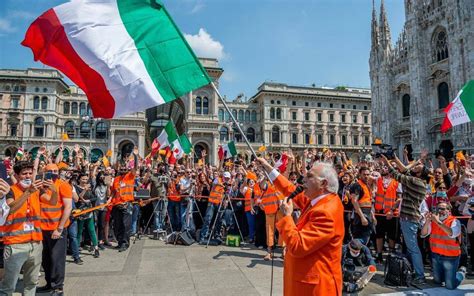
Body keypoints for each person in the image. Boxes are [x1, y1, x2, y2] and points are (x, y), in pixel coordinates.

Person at [257, 157, 344, 295]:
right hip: (305, 282)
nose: (303, 179)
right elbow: (290, 189)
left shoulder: (326, 212)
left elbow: (298, 246)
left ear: (323, 184)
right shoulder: (320, 199)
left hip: (314, 288)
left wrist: (286, 217)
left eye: (309, 176)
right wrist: (268, 168)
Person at [0, 161, 56, 296]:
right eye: (24, 173)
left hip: (35, 244)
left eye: (30, 173)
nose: (28, 176)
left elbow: (52, 201)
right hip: (15, 245)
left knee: (32, 283)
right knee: (8, 286)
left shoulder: (36, 190)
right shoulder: (11, 190)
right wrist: (28, 193)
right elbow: (11, 208)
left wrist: (53, 190)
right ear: (17, 175)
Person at [381, 155, 428, 285]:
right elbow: (404, 171)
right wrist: (395, 158)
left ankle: (420, 275)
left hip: (409, 218)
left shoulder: (417, 183)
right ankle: (412, 271)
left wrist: (387, 162)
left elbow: (397, 175)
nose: (416, 165)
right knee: (410, 247)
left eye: (418, 166)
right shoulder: (416, 181)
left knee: (413, 248)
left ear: (421, 173)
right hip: (407, 218)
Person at [38, 163, 73, 296]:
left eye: (55, 171)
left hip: (56, 229)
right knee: (46, 258)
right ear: (44, 172)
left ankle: (58, 287)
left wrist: (59, 228)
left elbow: (68, 208)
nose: (53, 173)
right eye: (49, 171)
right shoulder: (41, 187)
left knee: (57, 259)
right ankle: (49, 284)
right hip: (43, 229)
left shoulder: (62, 185)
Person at [421, 201, 466, 289]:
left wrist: (437, 221)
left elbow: (451, 233)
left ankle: (461, 273)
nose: (440, 211)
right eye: (438, 209)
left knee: (450, 286)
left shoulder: (455, 221)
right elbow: (423, 234)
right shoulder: (433, 221)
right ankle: (447, 276)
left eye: (443, 209)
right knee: (437, 281)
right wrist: (427, 221)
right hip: (436, 256)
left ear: (449, 211)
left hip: (450, 257)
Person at [111, 148, 138, 252]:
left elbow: (135, 167)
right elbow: (113, 191)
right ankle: (119, 242)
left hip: (127, 205)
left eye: (124, 168)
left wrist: (135, 156)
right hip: (116, 205)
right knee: (117, 225)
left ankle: (125, 244)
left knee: (125, 225)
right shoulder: (116, 179)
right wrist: (110, 199)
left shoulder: (130, 177)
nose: (122, 169)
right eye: (121, 168)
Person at [374, 165, 401, 262]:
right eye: (384, 167)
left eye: (386, 167)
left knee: (391, 236)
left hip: (391, 214)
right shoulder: (378, 180)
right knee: (379, 235)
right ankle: (379, 255)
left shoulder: (397, 182)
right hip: (379, 213)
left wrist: (392, 210)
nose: (383, 168)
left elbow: (399, 198)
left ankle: (391, 255)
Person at [350, 167, 375, 245]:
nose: (366, 176)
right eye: (364, 174)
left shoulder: (367, 185)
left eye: (368, 174)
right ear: (360, 174)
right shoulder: (357, 185)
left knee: (366, 239)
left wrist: (372, 216)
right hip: (360, 216)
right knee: (359, 241)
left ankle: (361, 255)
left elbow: (368, 202)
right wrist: (362, 217)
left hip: (367, 214)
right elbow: (354, 201)